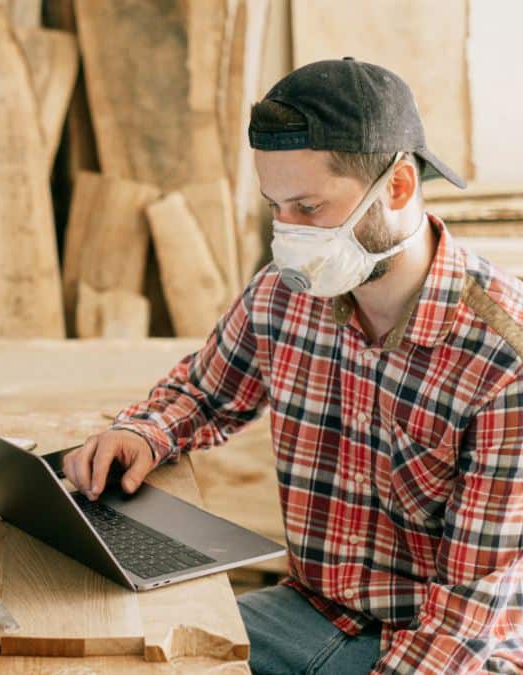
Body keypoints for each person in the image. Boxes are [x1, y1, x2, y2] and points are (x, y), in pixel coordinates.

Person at [63, 58, 523, 674]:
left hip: (447, 649)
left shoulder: (502, 359)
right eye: (274, 207)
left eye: (308, 207)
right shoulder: (286, 294)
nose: (289, 235)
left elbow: (467, 612)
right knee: (122, 655)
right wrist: (141, 432)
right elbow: (204, 395)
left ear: (399, 187)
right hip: (310, 611)